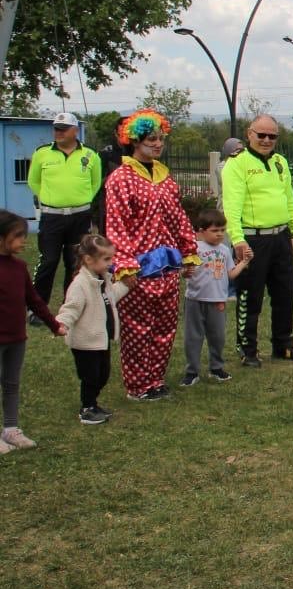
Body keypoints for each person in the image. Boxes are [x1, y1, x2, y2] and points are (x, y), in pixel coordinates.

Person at [103, 110, 199, 401]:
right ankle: (137, 385)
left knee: (165, 325)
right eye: (150, 139)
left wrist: (188, 251)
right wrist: (125, 265)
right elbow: (115, 224)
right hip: (138, 266)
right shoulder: (121, 178)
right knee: (137, 328)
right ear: (134, 141)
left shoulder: (165, 178)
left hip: (167, 265)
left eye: (160, 139)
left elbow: (179, 219)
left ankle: (155, 379)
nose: (157, 144)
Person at [221, 114, 293, 366]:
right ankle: (247, 349)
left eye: (272, 136)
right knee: (251, 296)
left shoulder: (280, 162)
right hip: (252, 238)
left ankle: (283, 344)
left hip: (280, 237)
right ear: (250, 134)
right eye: (261, 135)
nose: (267, 140)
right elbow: (231, 205)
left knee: (285, 293)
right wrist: (237, 239)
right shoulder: (237, 164)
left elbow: (289, 199)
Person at [0, 209, 67, 452]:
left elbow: (34, 300)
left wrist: (54, 324)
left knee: (11, 384)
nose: (23, 241)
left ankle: (10, 429)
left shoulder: (19, 267)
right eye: (17, 236)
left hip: (17, 338)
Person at [28, 111, 102, 309]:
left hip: (80, 215)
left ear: (75, 131)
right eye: (56, 129)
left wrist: (81, 199)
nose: (58, 133)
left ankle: (71, 304)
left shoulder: (90, 155)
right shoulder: (42, 153)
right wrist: (48, 198)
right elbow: (33, 181)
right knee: (48, 261)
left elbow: (95, 183)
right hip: (52, 216)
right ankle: (37, 308)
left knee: (75, 262)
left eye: (63, 129)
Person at [56, 234, 132, 424]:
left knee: (103, 374)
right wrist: (62, 323)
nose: (111, 263)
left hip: (101, 339)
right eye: (106, 259)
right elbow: (71, 307)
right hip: (85, 342)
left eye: (111, 258)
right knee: (90, 376)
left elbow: (111, 296)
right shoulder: (80, 285)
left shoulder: (103, 279)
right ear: (89, 260)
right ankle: (87, 408)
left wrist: (125, 285)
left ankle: (93, 403)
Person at [182, 209, 248, 386]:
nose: (219, 234)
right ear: (201, 231)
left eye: (222, 230)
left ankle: (216, 368)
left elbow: (231, 274)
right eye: (214, 230)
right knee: (193, 337)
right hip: (195, 300)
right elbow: (184, 271)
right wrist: (184, 271)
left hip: (218, 300)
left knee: (217, 336)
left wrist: (244, 263)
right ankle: (192, 371)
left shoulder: (225, 251)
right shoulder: (193, 248)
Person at [212, 137, 243, 209]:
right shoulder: (222, 167)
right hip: (225, 209)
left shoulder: (240, 164)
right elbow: (233, 184)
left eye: (242, 150)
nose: (241, 152)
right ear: (229, 150)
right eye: (238, 150)